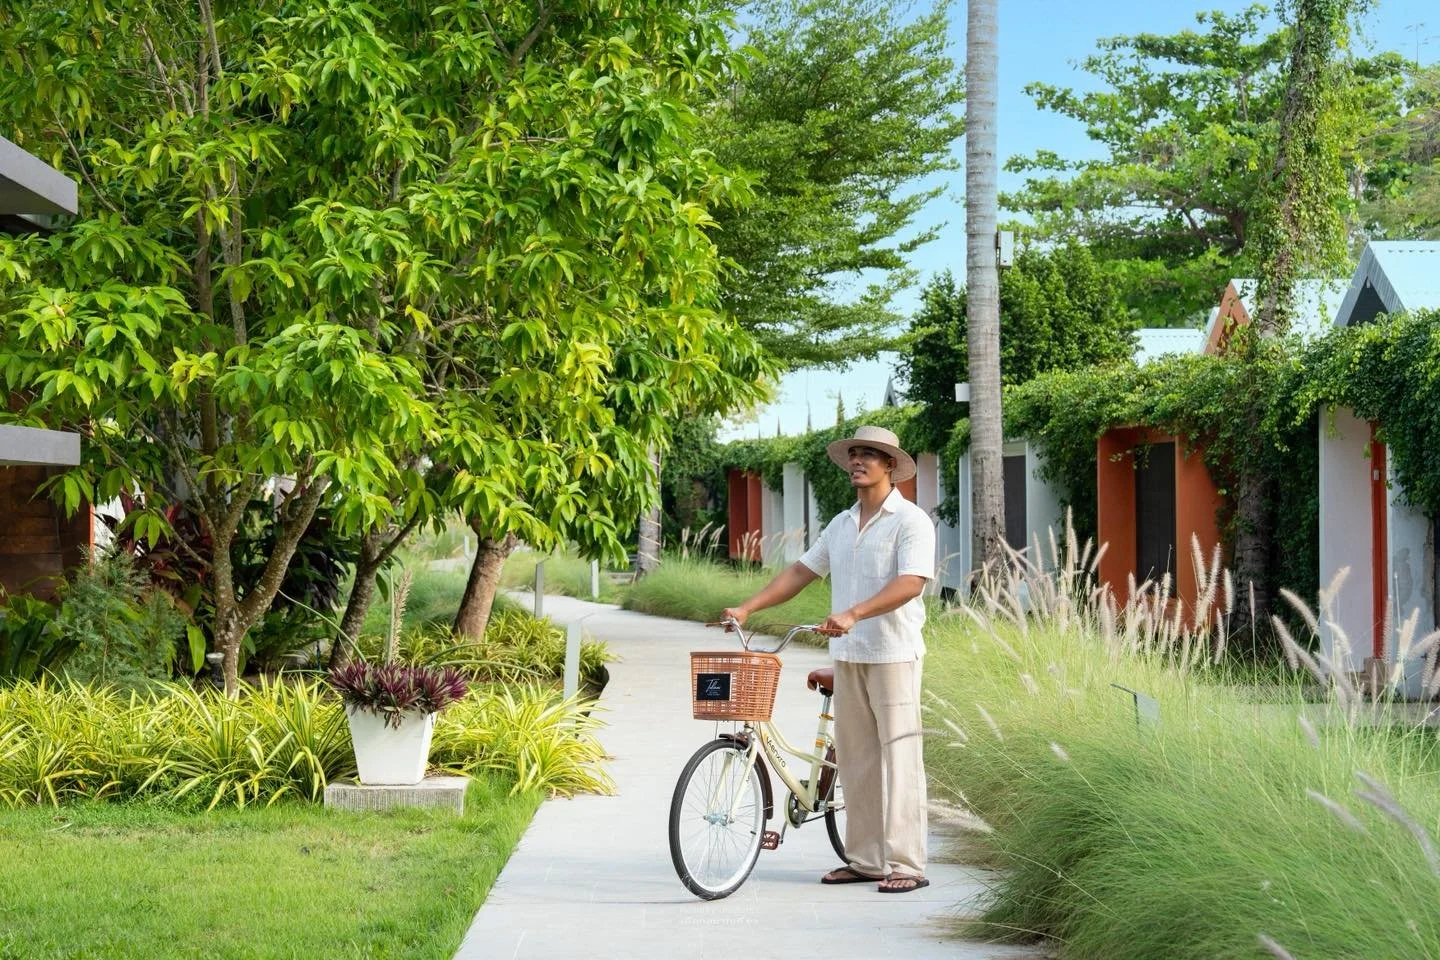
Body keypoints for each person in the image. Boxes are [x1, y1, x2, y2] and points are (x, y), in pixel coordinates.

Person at [722, 424, 936, 893]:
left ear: (890, 467)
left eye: (869, 455)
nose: (857, 462)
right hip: (848, 654)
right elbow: (801, 571)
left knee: (900, 758)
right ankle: (865, 860)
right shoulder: (841, 525)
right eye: (854, 454)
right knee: (856, 761)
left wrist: (855, 612)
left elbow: (912, 582)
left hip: (893, 654)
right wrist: (747, 607)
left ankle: (906, 864)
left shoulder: (911, 521)